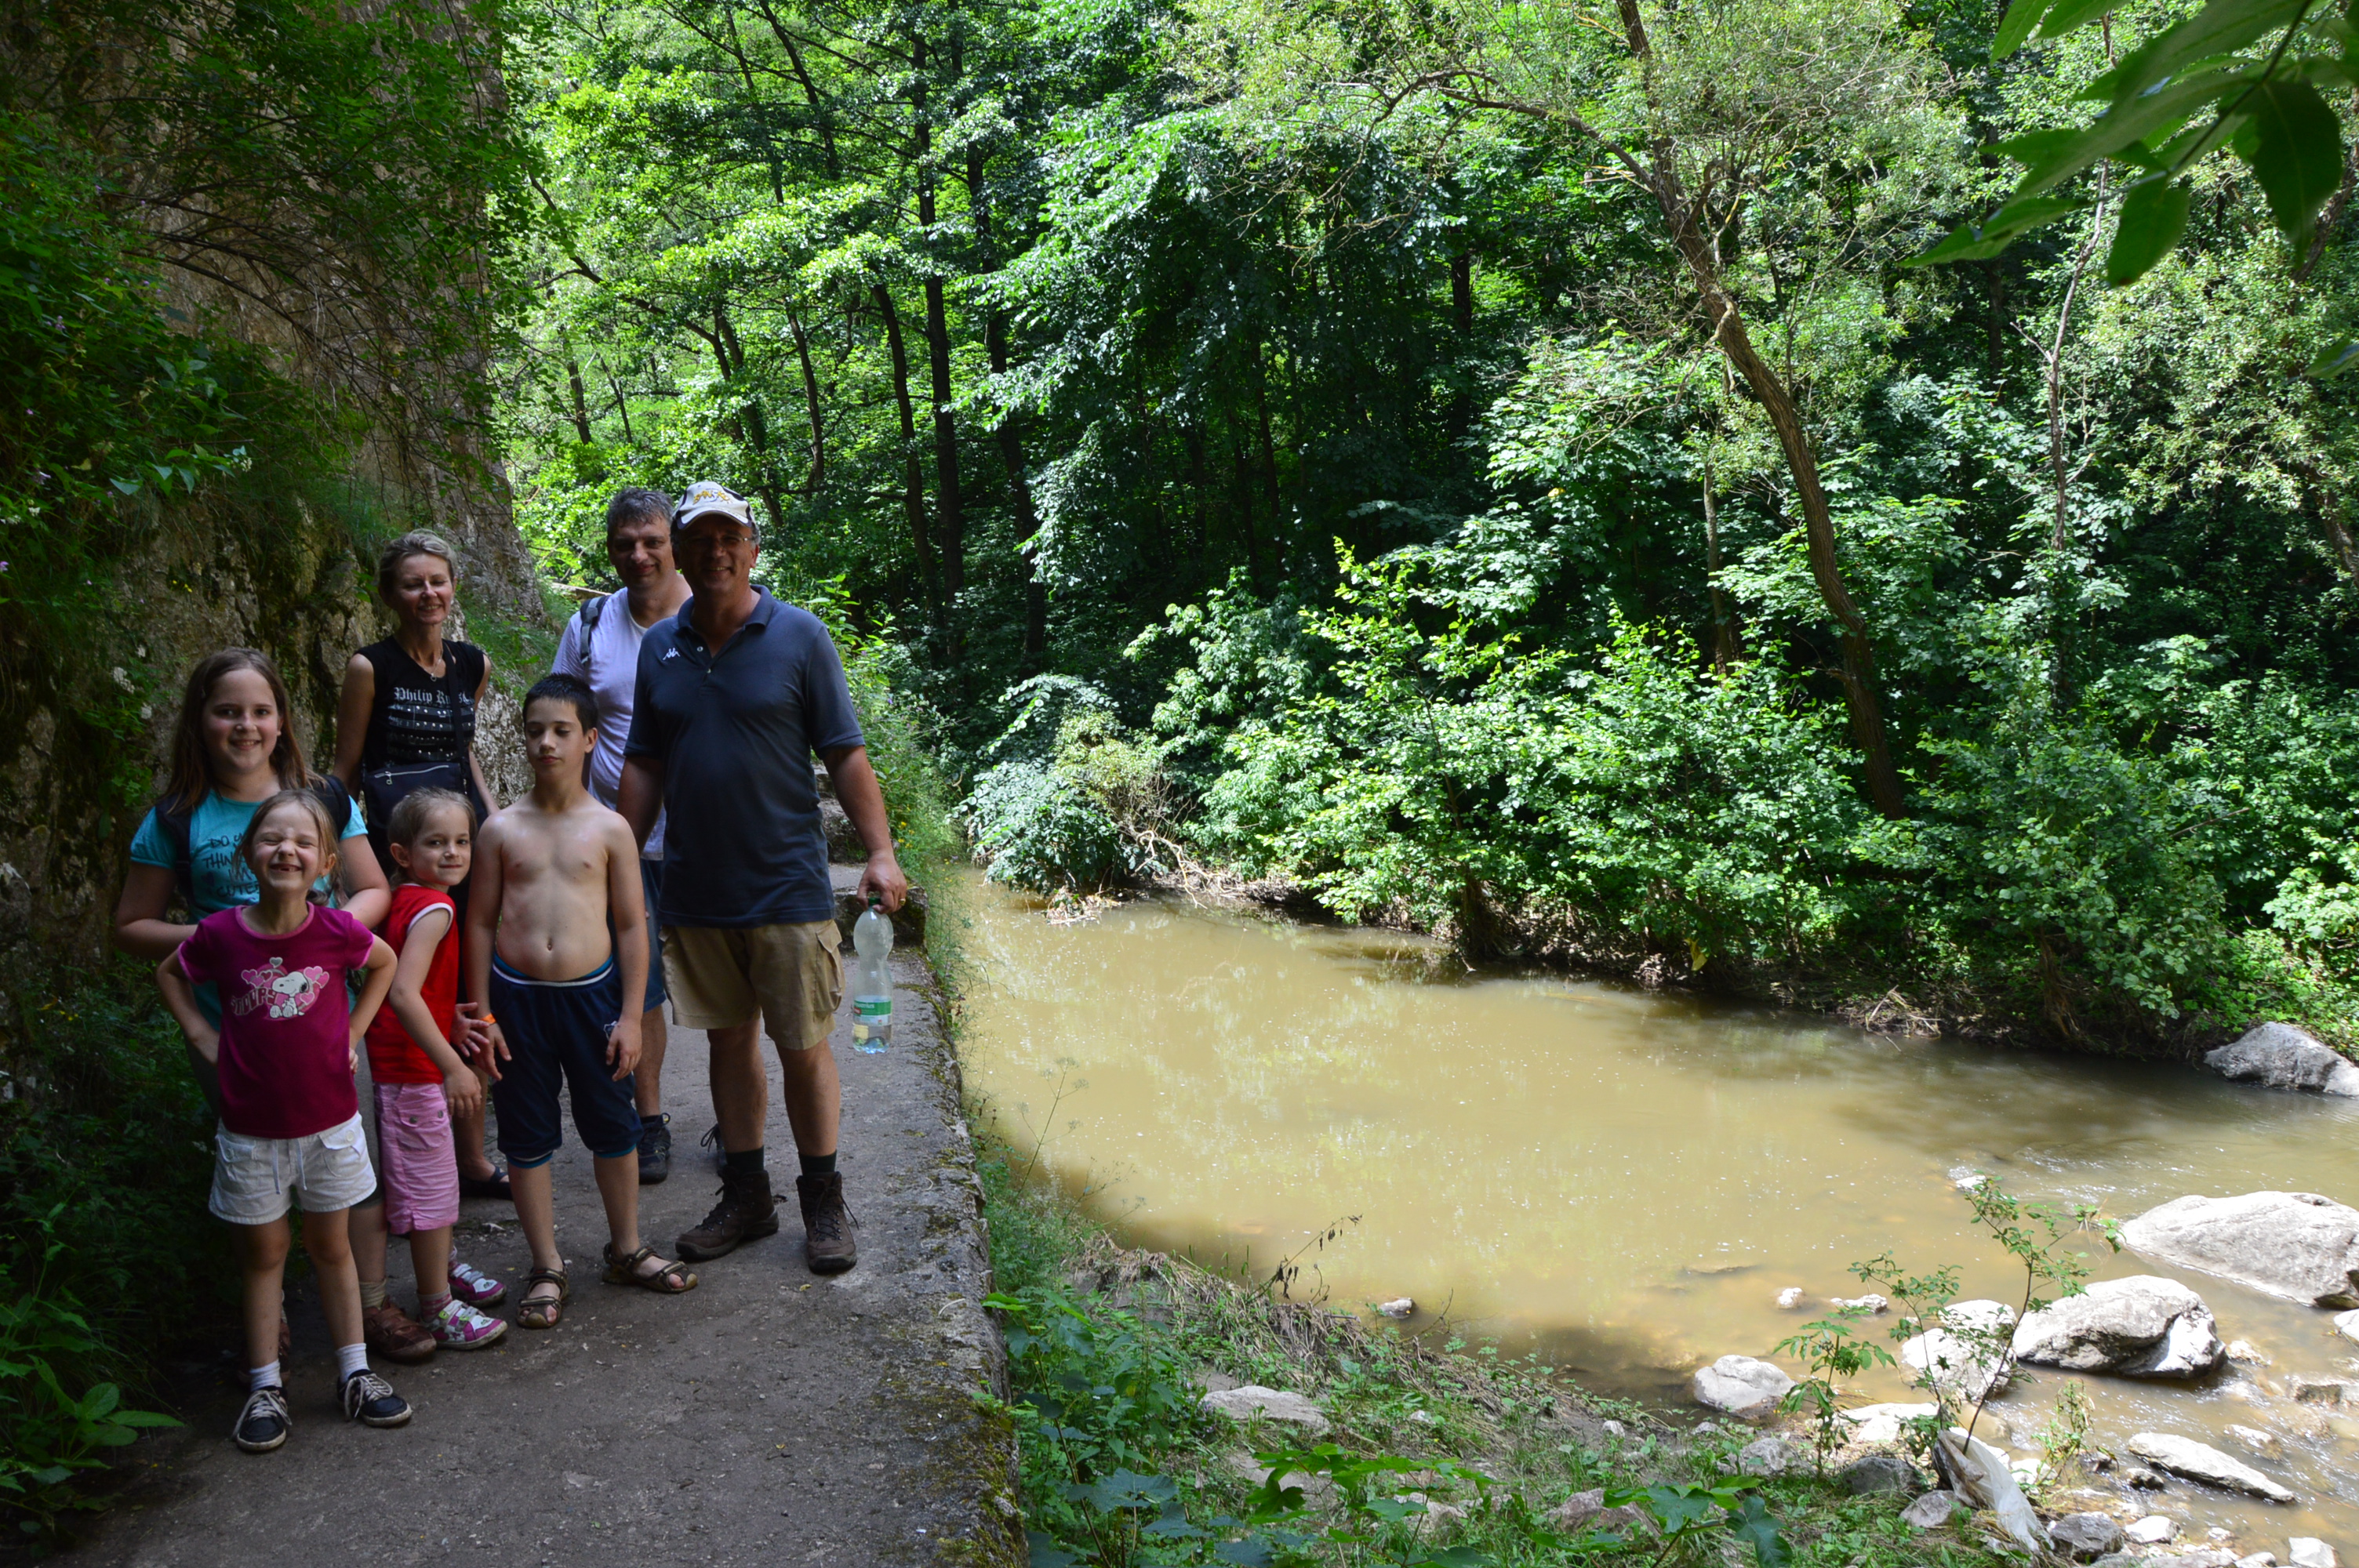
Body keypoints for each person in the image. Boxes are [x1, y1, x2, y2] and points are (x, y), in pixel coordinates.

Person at [616, 481, 907, 1275]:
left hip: (785, 884)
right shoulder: (659, 649)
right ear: (680, 553)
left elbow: (844, 751)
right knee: (727, 1040)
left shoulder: (800, 636)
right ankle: (747, 1195)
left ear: (751, 549)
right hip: (697, 887)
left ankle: (822, 1199)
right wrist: (613, 857)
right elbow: (644, 763)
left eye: (729, 537)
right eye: (699, 539)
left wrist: (880, 851)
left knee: (802, 1044)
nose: (715, 551)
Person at [154, 789, 413, 1453]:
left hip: (329, 1126)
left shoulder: (336, 931)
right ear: (248, 854)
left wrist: (353, 1031)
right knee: (264, 1254)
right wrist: (201, 1034)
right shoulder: (221, 935)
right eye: (271, 839)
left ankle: (354, 1372)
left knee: (332, 1247)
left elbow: (384, 963)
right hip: (250, 1134)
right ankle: (266, 1385)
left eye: (303, 841)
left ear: (326, 862)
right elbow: (170, 974)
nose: (286, 850)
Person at [466, 675, 695, 1330]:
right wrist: (481, 1013)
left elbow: (632, 927)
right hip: (518, 1001)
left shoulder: (611, 829)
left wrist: (632, 1017)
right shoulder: (500, 829)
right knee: (526, 1135)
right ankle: (546, 1265)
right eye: (535, 730)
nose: (546, 742)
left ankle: (627, 1248)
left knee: (614, 1128)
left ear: (590, 739)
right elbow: (478, 923)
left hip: (592, 999)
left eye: (561, 731)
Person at [333, 530, 505, 1201]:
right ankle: (410, 1150)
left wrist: (496, 829)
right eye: (413, 584)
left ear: (453, 585)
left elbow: (466, 755)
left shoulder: (472, 664)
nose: (428, 594)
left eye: (438, 580)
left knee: (470, 994)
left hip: (461, 849)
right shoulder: (369, 668)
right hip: (399, 859)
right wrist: (341, 863)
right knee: (411, 994)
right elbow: (346, 771)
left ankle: (472, 1158)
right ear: (390, 595)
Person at [551, 487, 691, 1184]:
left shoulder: (711, 614)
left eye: (652, 542)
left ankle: (740, 1127)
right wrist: (563, 820)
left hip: (707, 838)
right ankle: (649, 1118)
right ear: (610, 550)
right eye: (625, 544)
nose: (639, 556)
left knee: (732, 983)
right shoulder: (589, 626)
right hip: (620, 841)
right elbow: (562, 719)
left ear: (674, 545)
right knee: (643, 986)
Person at [350, 789, 510, 1363]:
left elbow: (408, 988)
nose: (453, 853)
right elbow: (402, 991)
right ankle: (437, 1305)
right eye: (436, 842)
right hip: (414, 1073)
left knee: (427, 1184)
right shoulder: (437, 909)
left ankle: (441, 1267)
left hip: (403, 1064)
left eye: (462, 841)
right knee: (432, 1192)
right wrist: (451, 1064)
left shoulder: (403, 900)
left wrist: (448, 1019)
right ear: (401, 852)